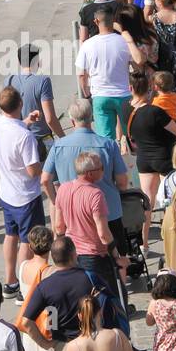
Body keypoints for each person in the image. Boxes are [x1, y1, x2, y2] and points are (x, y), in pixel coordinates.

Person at [41, 98, 129, 257]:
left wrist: (56, 200)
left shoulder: (58, 146)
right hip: (108, 212)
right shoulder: (108, 145)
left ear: (72, 121)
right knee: (117, 261)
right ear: (91, 117)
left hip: (73, 218)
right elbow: (123, 182)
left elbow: (45, 180)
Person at [53, 151, 128, 303]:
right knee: (110, 298)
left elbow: (59, 227)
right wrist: (116, 256)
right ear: (90, 173)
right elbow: (103, 234)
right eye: (101, 168)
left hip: (72, 253)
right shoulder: (95, 194)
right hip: (94, 255)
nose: (103, 170)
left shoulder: (63, 189)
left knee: (84, 298)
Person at [0, 86, 44, 298]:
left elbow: (12, 129)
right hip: (25, 195)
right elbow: (33, 171)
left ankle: (10, 281)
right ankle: (23, 285)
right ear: (21, 104)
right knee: (27, 241)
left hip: (7, 192)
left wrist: (27, 122)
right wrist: (46, 163)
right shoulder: (25, 137)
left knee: (10, 236)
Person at [126, 65, 176, 241]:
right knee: (170, 200)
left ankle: (144, 243)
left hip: (144, 159)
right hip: (165, 158)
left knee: (147, 203)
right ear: (150, 89)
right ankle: (172, 237)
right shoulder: (156, 112)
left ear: (130, 89)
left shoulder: (126, 109)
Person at [20, 235, 95, 350]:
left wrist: (45, 344)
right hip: (90, 340)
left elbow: (26, 322)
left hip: (63, 346)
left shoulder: (44, 286)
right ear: (73, 255)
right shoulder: (89, 278)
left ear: (53, 258)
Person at [75, 5, 133, 140]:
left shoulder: (87, 44)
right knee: (131, 137)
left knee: (105, 139)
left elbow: (81, 74)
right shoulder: (123, 42)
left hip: (100, 96)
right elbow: (135, 65)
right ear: (113, 20)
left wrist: (86, 92)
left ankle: (109, 160)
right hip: (124, 95)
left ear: (95, 22)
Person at [3, 42, 64, 163]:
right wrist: (63, 138)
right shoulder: (43, 81)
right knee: (49, 178)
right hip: (42, 139)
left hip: (18, 139)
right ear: (37, 60)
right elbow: (50, 118)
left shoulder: (8, 81)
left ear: (20, 62)